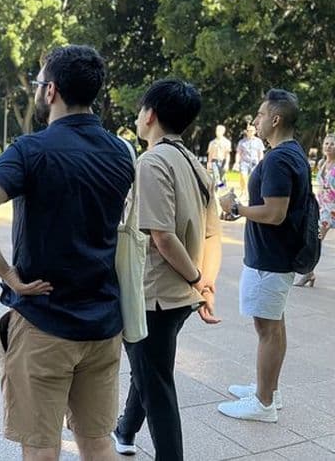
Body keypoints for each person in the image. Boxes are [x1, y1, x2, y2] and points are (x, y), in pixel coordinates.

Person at [0, 45, 133, 461]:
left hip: (44, 323)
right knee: (97, 441)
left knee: (40, 446)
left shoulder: (30, 150)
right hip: (105, 324)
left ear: (50, 90)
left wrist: (9, 274)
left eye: (39, 83)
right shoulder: (122, 153)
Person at [111, 80, 222, 459]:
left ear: (151, 114)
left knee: (156, 384)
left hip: (154, 295)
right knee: (149, 369)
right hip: (179, 296)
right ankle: (125, 431)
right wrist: (205, 284)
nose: (139, 117)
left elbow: (162, 237)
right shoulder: (195, 163)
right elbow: (212, 235)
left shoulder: (152, 161)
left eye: (142, 110)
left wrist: (195, 279)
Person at [218, 89, 310, 422]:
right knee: (274, 326)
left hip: (270, 258)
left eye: (259, 114)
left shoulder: (279, 159)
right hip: (277, 256)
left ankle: (263, 402)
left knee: (267, 329)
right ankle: (268, 388)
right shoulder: (291, 153)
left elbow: (274, 213)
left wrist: (237, 207)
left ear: (275, 119)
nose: (255, 120)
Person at [295, 132, 335, 286]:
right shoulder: (321, 164)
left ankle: (308, 273)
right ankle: (309, 273)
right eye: (326, 143)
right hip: (321, 209)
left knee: (314, 239)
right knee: (313, 239)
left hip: (332, 210)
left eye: (332, 144)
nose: (328, 146)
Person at [234, 124, 265, 198]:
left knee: (252, 178)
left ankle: (249, 192)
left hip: (254, 162)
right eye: (248, 131)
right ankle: (243, 191)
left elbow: (260, 153)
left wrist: (261, 162)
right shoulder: (242, 142)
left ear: (254, 132)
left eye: (251, 131)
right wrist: (237, 162)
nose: (250, 132)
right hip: (244, 162)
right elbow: (238, 153)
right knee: (243, 177)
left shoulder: (258, 141)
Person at [207, 124, 231, 190]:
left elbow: (227, 154)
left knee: (222, 177)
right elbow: (210, 154)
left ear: (223, 132)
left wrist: (227, 164)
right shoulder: (212, 142)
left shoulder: (227, 142)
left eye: (220, 130)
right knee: (216, 177)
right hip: (214, 161)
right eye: (217, 130)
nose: (218, 132)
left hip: (223, 161)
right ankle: (219, 190)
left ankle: (222, 189)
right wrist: (208, 163)